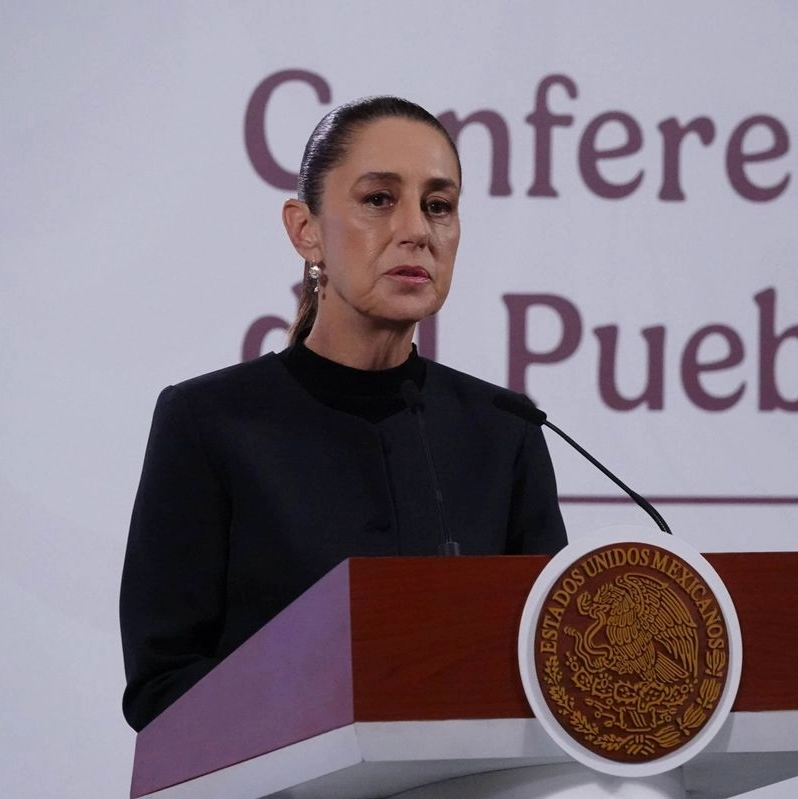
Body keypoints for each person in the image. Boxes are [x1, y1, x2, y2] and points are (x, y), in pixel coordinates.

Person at [119, 96, 568, 732]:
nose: (416, 230)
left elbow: (552, 670)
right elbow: (162, 686)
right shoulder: (208, 422)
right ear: (306, 230)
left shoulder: (504, 430)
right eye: (379, 199)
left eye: (438, 205)